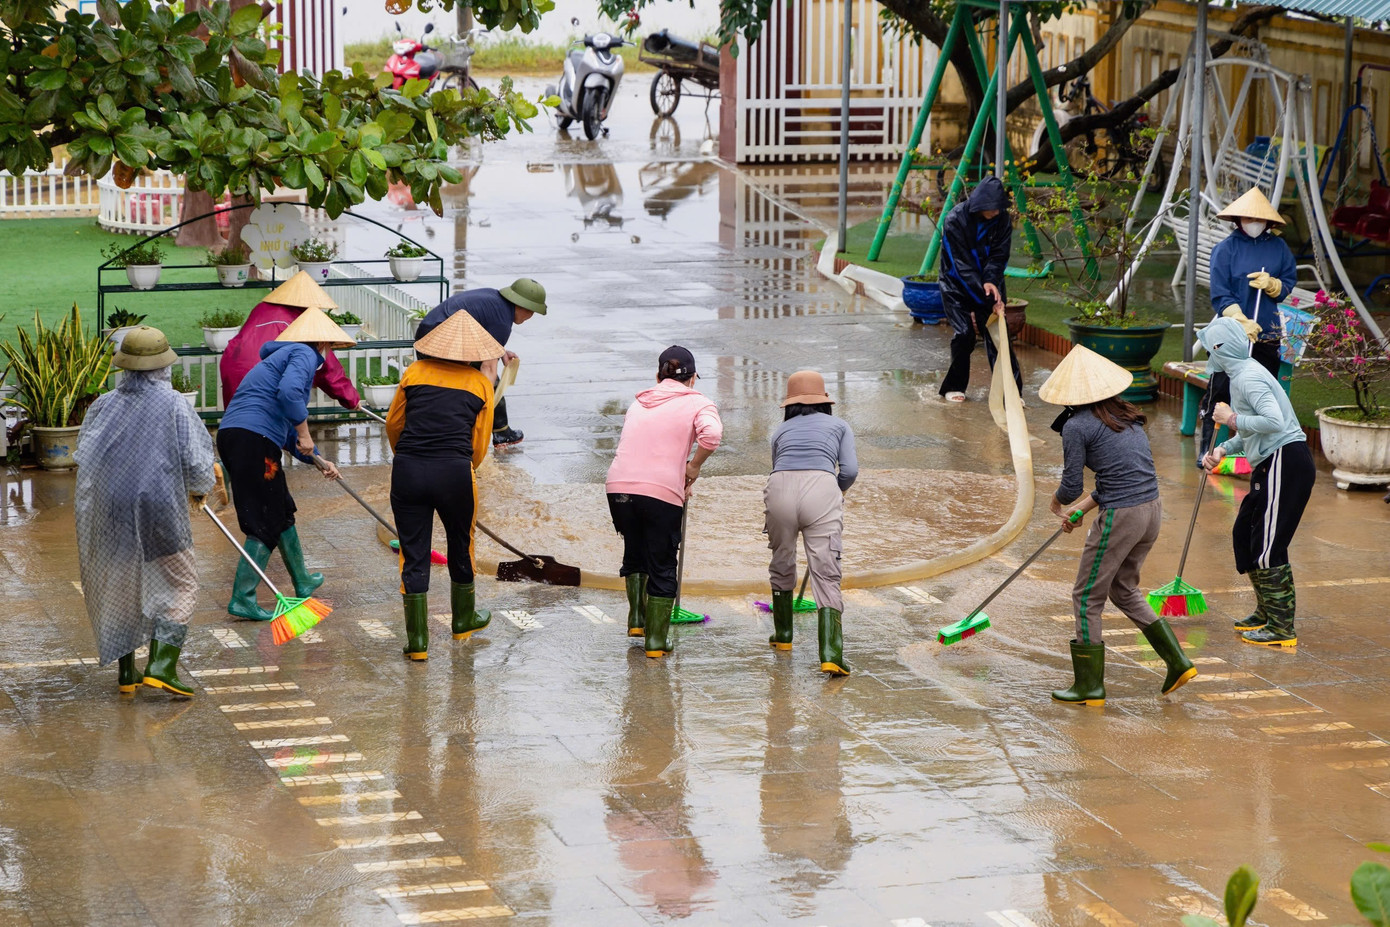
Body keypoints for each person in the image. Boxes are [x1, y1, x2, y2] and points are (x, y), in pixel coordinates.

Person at [1040, 345, 1197, 706]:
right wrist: (1081, 510)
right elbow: (1117, 479)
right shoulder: (1125, 414)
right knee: (1123, 589)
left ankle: (1089, 687)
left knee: (1085, 598)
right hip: (1150, 511)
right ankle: (1178, 662)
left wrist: (1058, 502)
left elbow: (1071, 484)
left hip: (1122, 516)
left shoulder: (1077, 425)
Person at [75, 327, 216, 698]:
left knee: (122, 583)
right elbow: (196, 459)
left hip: (109, 509)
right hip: (160, 508)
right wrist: (200, 489)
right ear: (161, 366)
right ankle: (162, 665)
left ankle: (127, 673)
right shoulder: (172, 404)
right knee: (182, 582)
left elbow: (85, 455)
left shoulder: (103, 404)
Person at [216, 308, 350, 622]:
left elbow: (287, 430)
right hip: (253, 441)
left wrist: (317, 458)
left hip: (243, 437)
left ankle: (302, 579)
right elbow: (290, 395)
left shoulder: (284, 356)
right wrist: (305, 434)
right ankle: (242, 597)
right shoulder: (304, 354)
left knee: (281, 510)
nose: (328, 355)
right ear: (321, 343)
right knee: (264, 522)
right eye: (329, 347)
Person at [386, 310, 500, 660]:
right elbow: (480, 443)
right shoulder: (480, 383)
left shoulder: (414, 372)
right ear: (471, 352)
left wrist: (406, 456)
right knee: (461, 545)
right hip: (454, 473)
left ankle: (417, 642)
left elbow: (394, 424)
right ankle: (463, 620)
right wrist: (463, 467)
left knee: (413, 551)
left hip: (408, 470)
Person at [1199, 316, 1314, 648]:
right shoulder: (1239, 376)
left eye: (1212, 349)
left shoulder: (1248, 377)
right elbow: (1251, 428)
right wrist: (1222, 448)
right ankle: (1266, 612)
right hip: (1269, 463)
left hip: (1285, 461)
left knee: (1267, 546)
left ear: (1223, 350)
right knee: (1246, 535)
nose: (1210, 356)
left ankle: (1282, 626)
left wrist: (1230, 418)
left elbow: (1273, 421)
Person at [605, 346, 722, 658]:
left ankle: (637, 620)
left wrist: (675, 478)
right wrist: (693, 467)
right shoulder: (699, 402)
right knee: (662, 562)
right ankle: (656, 642)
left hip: (618, 490)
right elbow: (711, 435)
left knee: (635, 547)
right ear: (693, 378)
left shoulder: (639, 402)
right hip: (658, 494)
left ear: (658, 376)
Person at [763, 370, 858, 676]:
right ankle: (830, 653)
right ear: (825, 401)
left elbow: (777, 464)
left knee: (782, 559)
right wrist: (835, 490)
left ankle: (784, 637)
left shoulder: (780, 431)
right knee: (826, 570)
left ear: (790, 405)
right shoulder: (840, 426)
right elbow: (850, 470)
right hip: (822, 487)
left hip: (779, 488)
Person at [1198, 187, 1297, 461]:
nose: (1254, 223)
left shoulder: (1279, 248)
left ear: (1268, 221)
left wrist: (1275, 285)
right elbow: (1220, 295)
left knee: (1262, 395)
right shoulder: (1224, 250)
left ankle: (1255, 453)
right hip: (1229, 339)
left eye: (1259, 219)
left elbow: (1288, 282)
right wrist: (1241, 321)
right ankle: (1209, 449)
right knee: (1220, 392)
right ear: (1238, 219)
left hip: (1267, 335)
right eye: (1248, 218)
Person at [415, 278, 547, 447]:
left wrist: (501, 352)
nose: (531, 316)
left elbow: (482, 333)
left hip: (428, 334)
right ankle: (471, 431)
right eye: (532, 311)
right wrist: (481, 404)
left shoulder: (495, 300)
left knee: (443, 387)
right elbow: (488, 368)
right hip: (442, 341)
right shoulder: (502, 320)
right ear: (523, 306)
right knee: (481, 384)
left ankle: (501, 431)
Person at [220, 270, 361, 411]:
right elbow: (327, 367)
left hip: (232, 365)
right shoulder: (303, 321)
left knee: (237, 420)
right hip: (266, 377)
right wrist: (351, 398)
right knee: (269, 424)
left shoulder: (261, 308)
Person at [937, 175, 1022, 402]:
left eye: (999, 208)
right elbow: (961, 265)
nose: (996, 212)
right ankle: (953, 387)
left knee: (998, 337)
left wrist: (992, 282)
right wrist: (987, 295)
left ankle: (1011, 392)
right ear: (980, 204)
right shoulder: (954, 220)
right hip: (956, 283)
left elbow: (999, 255)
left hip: (989, 285)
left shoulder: (1002, 219)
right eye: (992, 208)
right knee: (964, 334)